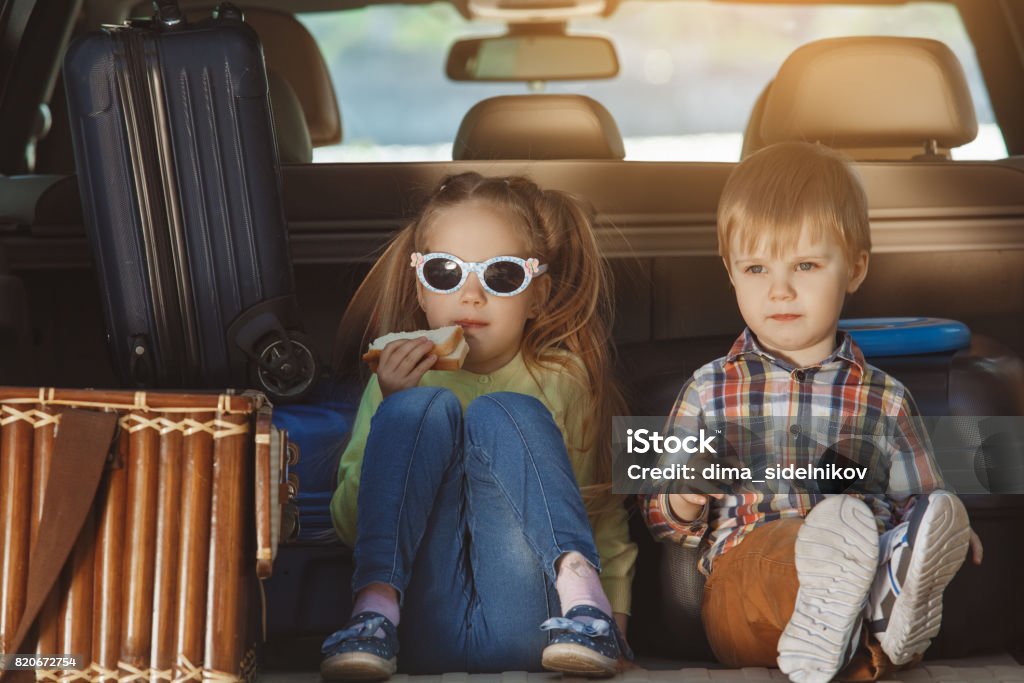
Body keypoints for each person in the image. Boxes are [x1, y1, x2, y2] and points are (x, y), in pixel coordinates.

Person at [641, 141, 983, 683]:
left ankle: (876, 618)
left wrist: (942, 527)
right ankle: (869, 609)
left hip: (865, 563)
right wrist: (681, 498)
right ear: (730, 272)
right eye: (756, 267)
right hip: (746, 576)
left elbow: (918, 495)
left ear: (854, 268)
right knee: (782, 554)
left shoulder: (885, 397)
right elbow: (660, 519)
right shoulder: (709, 389)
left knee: (881, 555)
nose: (780, 289)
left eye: (805, 264)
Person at [323, 172, 637, 679]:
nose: (471, 295)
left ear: (537, 296)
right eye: (446, 272)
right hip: (409, 633)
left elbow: (601, 510)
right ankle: (373, 609)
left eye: (503, 275)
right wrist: (390, 409)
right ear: (420, 290)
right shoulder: (392, 379)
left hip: (541, 632)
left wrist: (617, 630)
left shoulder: (565, 380)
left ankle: (585, 601)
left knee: (505, 412)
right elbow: (349, 527)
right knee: (419, 412)